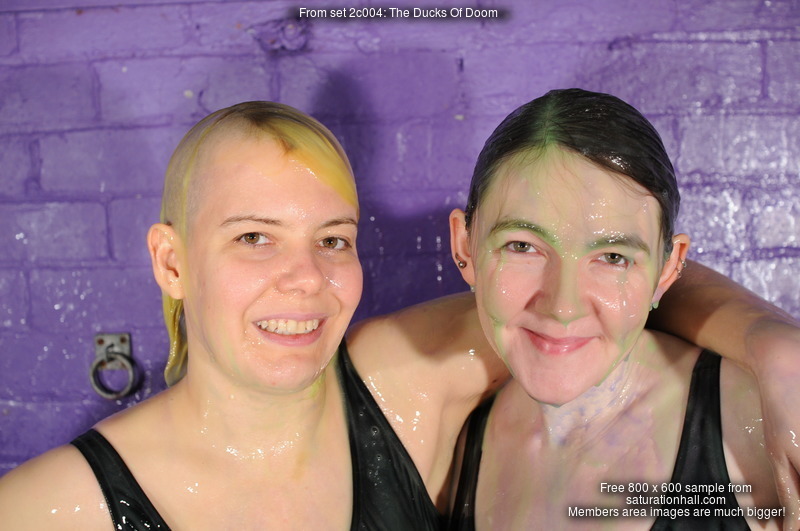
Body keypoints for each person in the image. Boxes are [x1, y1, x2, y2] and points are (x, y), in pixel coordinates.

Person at [1, 99, 797, 530]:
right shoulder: (52, 506)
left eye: (333, 240)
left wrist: (773, 344)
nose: (304, 280)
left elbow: (605, 302)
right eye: (253, 238)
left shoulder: (401, 378)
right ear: (172, 262)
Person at [439, 88, 788, 528]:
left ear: (668, 269)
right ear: (465, 246)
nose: (563, 307)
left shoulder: (759, 424)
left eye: (612, 257)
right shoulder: (454, 444)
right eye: (523, 246)